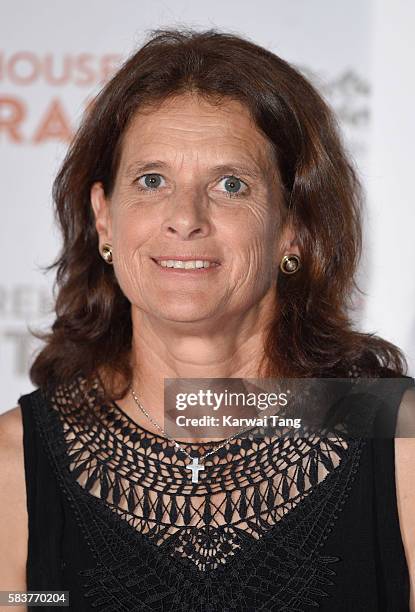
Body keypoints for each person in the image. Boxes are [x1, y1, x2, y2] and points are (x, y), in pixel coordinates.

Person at [0, 27, 414, 611]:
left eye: (229, 184)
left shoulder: (401, 447)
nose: (185, 218)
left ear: (292, 227)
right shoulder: (14, 466)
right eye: (151, 181)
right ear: (104, 220)